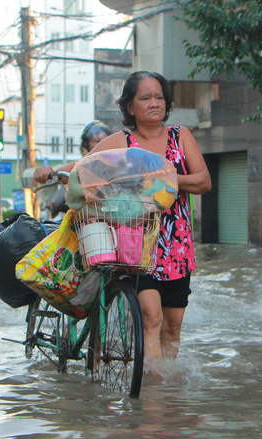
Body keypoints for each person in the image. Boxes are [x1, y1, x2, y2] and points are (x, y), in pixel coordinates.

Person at [34, 71, 212, 371]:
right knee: (151, 316)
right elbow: (82, 167)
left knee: (173, 325)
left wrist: (165, 179)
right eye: (145, 98)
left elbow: (203, 181)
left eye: (159, 97)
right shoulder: (120, 142)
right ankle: (152, 396)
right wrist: (50, 170)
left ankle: (168, 392)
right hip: (135, 242)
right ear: (130, 107)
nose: (154, 103)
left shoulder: (181, 136)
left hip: (177, 245)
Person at [44, 122, 114, 219]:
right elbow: (63, 198)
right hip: (86, 219)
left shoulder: (117, 165)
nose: (102, 145)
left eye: (105, 141)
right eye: (97, 141)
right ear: (86, 143)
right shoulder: (80, 167)